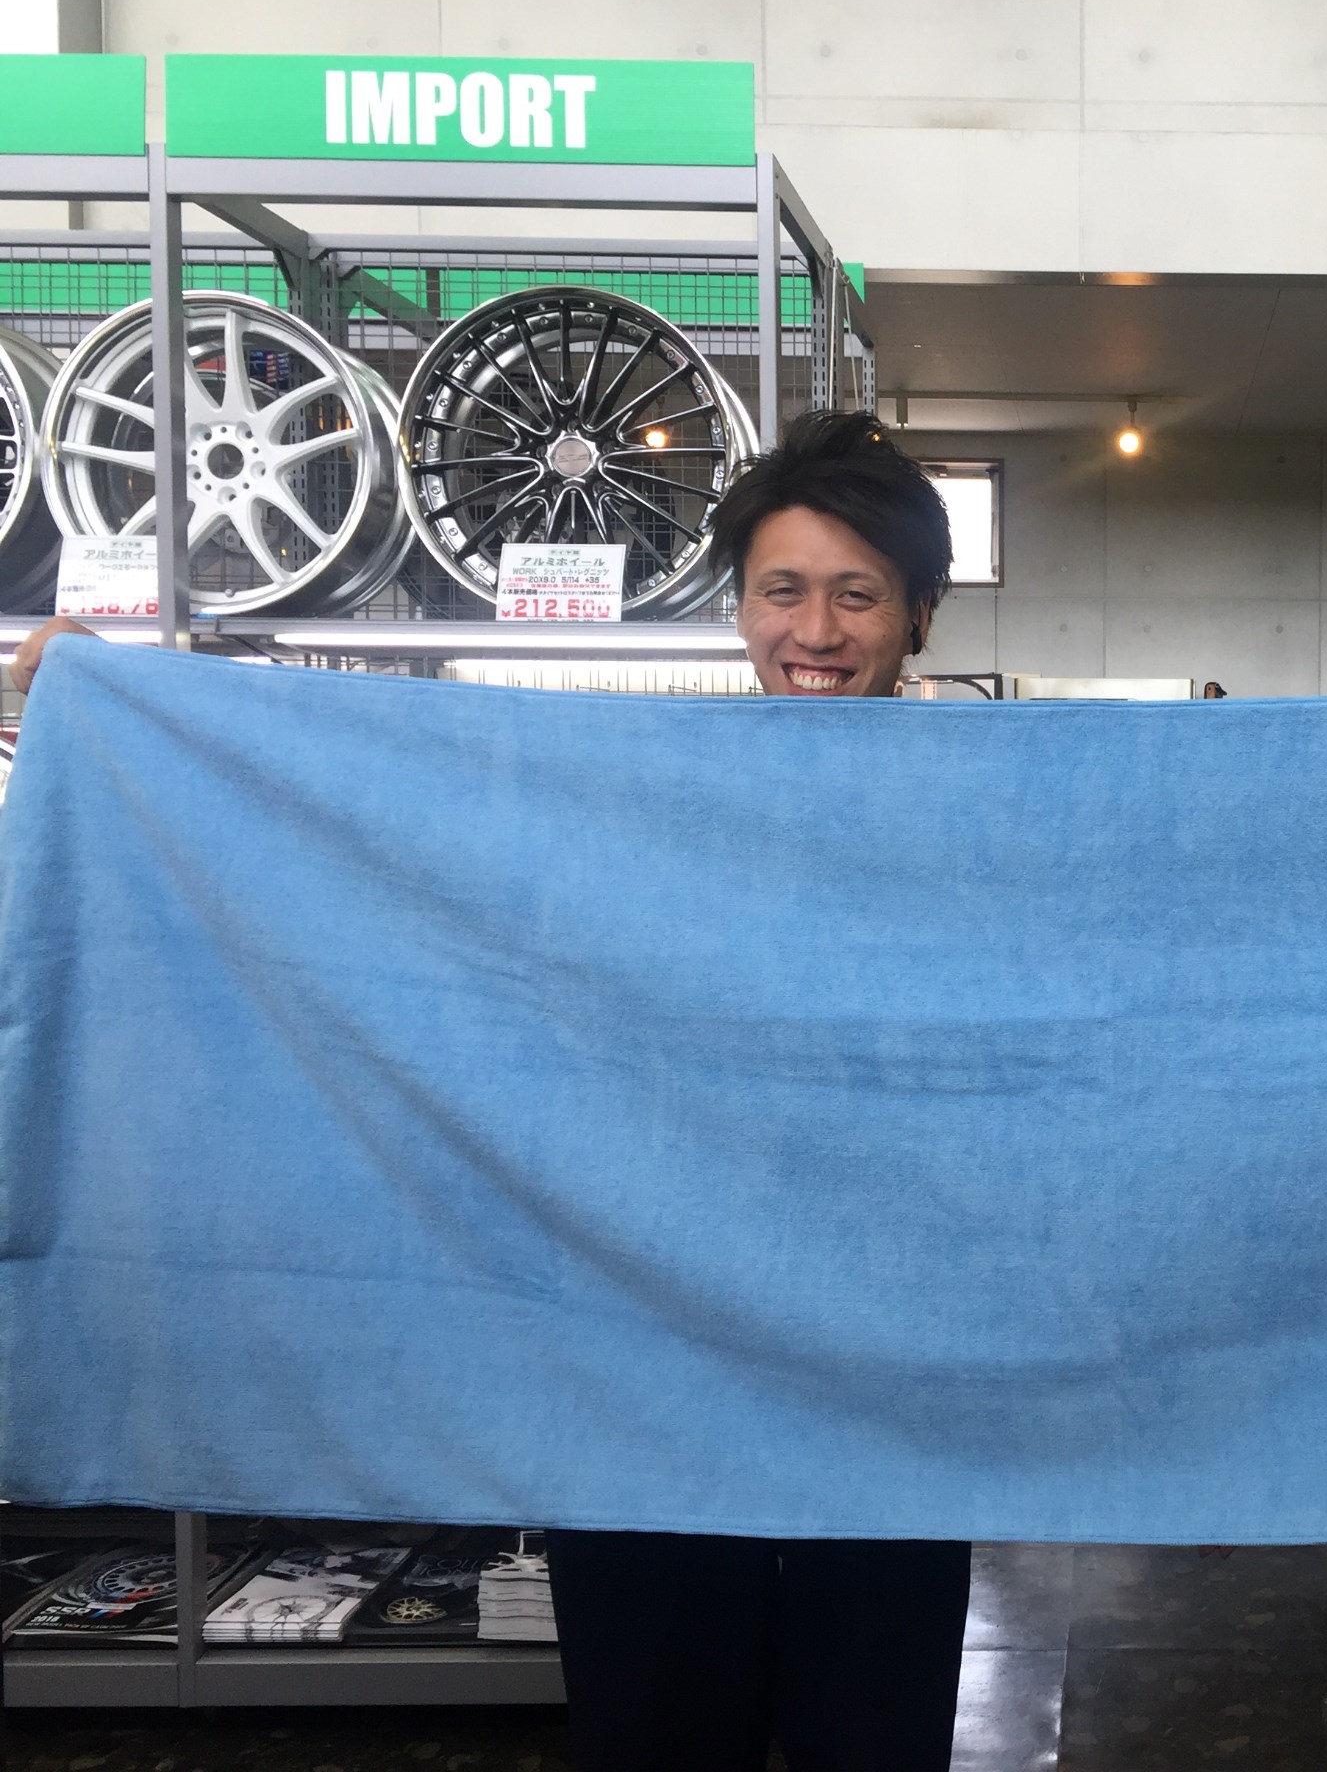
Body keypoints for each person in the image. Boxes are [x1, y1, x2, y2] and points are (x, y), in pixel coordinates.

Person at [11, 410, 975, 1772]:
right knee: (657, 1730)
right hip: (637, 1359)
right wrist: (122, 703)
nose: (814, 630)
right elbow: (384, 804)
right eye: (782, 588)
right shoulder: (629, 795)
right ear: (739, 605)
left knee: (869, 1731)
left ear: (919, 614)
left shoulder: (993, 822)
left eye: (857, 594)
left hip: (890, 1363)